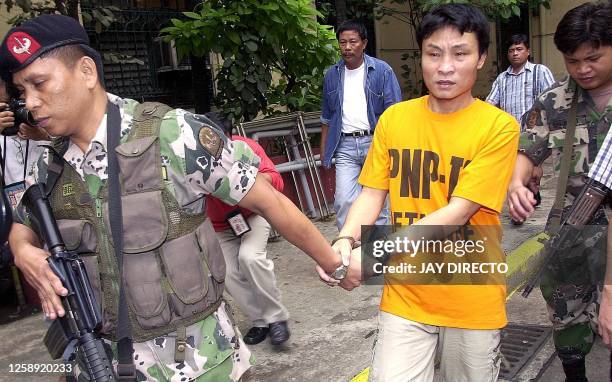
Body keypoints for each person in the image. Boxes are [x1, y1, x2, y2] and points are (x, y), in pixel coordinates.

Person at [0, 14, 355, 381]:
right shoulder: (48, 163)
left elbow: (270, 202)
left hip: (197, 364)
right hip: (101, 364)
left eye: (40, 84)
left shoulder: (173, 134)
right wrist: (24, 250)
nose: (30, 103)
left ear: (87, 72)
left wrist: (336, 265)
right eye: (22, 92)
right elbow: (23, 226)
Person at [319, 4, 519, 381]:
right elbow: (372, 194)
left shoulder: (498, 128)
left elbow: (459, 213)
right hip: (406, 293)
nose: (445, 66)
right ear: (421, 56)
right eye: (434, 53)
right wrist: (345, 239)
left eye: (460, 53)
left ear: (480, 59)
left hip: (471, 293)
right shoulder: (395, 119)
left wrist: (376, 256)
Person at [507, 2, 611, 381]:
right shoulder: (555, 100)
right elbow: (528, 148)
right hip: (575, 226)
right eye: (572, 61)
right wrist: (517, 182)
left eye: (593, 58)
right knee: (566, 316)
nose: (583, 69)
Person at [204, 112, 290, 346]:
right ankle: (260, 321)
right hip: (219, 225)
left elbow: (276, 180)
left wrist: (252, 181)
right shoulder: (192, 160)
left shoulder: (245, 149)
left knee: (250, 258)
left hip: (253, 215)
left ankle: (277, 319)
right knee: (228, 272)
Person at [320, 19, 402, 230]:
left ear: (364, 43)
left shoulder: (382, 71)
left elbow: (395, 113)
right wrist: (324, 150)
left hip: (375, 142)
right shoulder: (332, 75)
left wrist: (394, 147)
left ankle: (378, 255)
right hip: (345, 145)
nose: (347, 47)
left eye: (353, 42)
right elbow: (327, 117)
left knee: (378, 205)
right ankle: (350, 252)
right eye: (343, 42)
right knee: (343, 201)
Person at [486, 34, 555, 124]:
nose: (515, 53)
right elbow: (489, 104)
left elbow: (552, 100)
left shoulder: (540, 71)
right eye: (511, 50)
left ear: (528, 51)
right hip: (509, 132)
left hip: (535, 131)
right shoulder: (502, 78)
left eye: (519, 49)